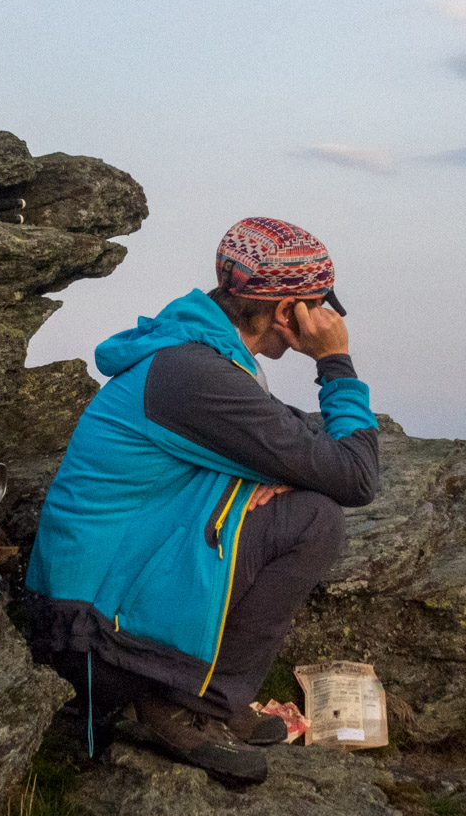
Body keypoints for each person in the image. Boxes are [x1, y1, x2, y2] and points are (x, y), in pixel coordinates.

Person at [25, 217, 379, 785]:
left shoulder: (198, 355)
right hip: (88, 639)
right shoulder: (193, 374)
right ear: (287, 312)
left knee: (303, 499)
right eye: (319, 303)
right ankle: (193, 705)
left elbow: (304, 444)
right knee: (314, 519)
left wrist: (279, 468)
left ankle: (196, 692)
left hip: (90, 612)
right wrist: (334, 364)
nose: (328, 318)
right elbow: (356, 476)